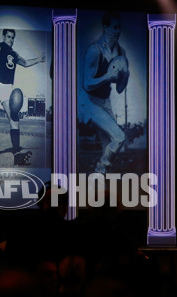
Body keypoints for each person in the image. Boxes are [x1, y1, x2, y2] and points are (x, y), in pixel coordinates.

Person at [0, 28, 46, 166]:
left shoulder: (14, 54)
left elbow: (26, 63)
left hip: (7, 89)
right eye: (9, 37)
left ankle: (17, 156)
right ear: (3, 36)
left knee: (14, 121)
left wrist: (39, 59)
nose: (11, 39)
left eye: (13, 37)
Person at [78, 11, 130, 174]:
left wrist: (125, 75)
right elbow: (87, 84)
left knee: (110, 147)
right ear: (105, 28)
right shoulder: (95, 50)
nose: (118, 31)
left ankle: (98, 181)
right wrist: (107, 76)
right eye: (114, 27)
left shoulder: (122, 53)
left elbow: (120, 89)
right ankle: (99, 172)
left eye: (119, 28)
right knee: (119, 137)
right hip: (89, 100)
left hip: (105, 101)